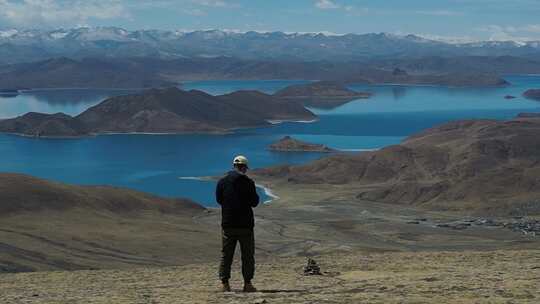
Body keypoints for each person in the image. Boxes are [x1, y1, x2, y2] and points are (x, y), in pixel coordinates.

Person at [216, 155, 260, 292]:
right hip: (245, 226)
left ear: (234, 166)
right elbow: (254, 202)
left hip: (228, 224)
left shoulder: (222, 182)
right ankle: (247, 284)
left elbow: (219, 200)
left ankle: (225, 284)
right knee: (247, 255)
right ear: (245, 168)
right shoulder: (248, 183)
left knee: (226, 255)